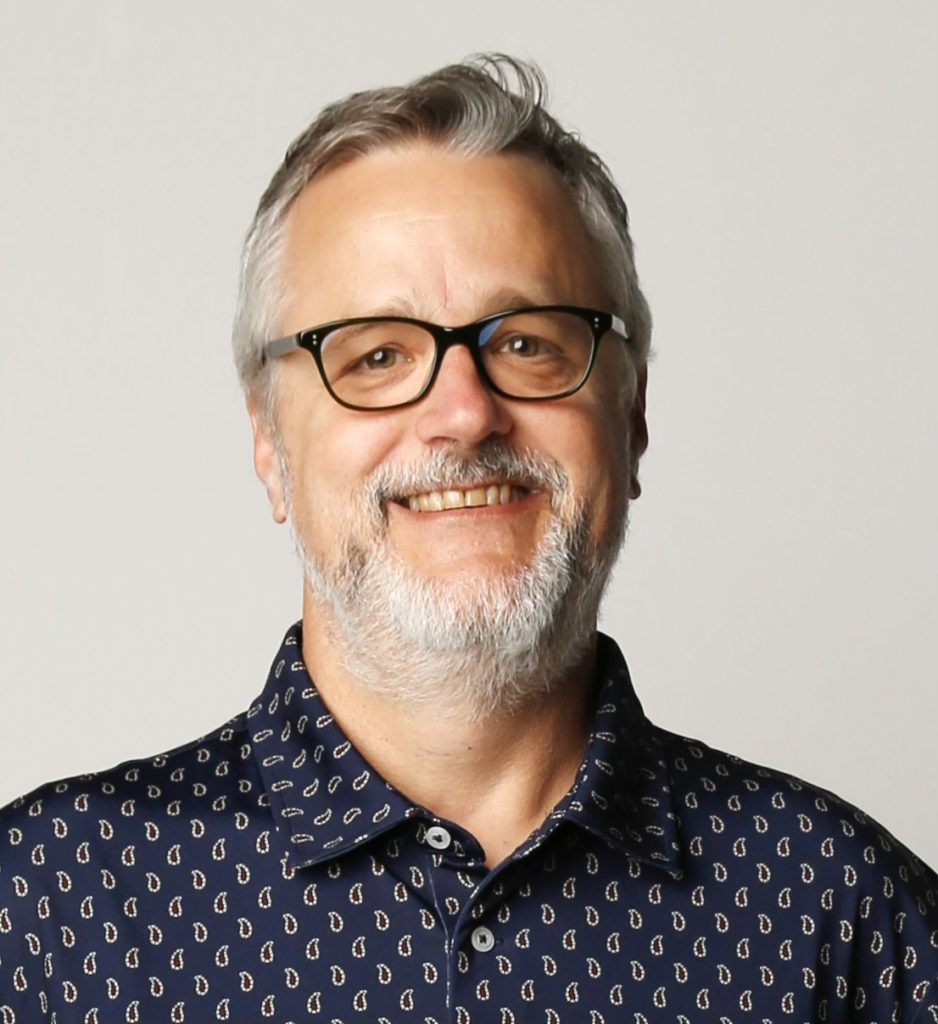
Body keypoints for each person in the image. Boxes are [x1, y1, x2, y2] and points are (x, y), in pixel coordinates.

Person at [1, 56, 935, 1024]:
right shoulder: (46, 913)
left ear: (632, 417)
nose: (462, 413)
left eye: (527, 343)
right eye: (375, 355)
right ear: (268, 443)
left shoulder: (849, 920)